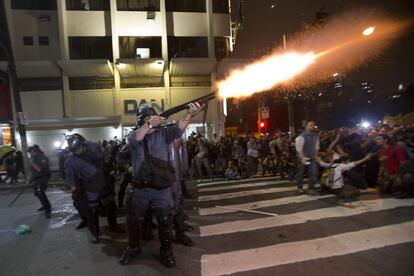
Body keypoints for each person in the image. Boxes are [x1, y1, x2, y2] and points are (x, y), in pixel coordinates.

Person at [120, 101, 204, 267]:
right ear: (142, 120)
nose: (155, 120)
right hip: (140, 188)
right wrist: (149, 124)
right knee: (134, 221)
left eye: (154, 117)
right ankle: (133, 248)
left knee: (165, 220)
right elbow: (135, 139)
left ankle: (166, 251)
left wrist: (190, 114)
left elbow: (180, 127)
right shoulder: (136, 135)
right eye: (149, 118)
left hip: (161, 189)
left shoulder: (163, 134)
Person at [295, 121, 320, 194]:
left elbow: (316, 147)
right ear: (306, 126)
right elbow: (299, 149)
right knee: (301, 173)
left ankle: (311, 187)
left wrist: (316, 156)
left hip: (312, 158)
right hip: (303, 158)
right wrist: (302, 157)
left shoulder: (316, 136)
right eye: (311, 125)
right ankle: (300, 187)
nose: (312, 126)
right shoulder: (301, 136)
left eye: (313, 125)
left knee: (314, 173)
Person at [28, 145, 51, 219]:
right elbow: (33, 169)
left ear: (36, 151)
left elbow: (39, 169)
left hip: (42, 178)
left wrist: (32, 163)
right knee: (37, 193)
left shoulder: (43, 158)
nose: (30, 154)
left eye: (31, 152)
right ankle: (45, 205)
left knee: (40, 193)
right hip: (36, 178)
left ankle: (48, 210)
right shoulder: (34, 158)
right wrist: (31, 177)